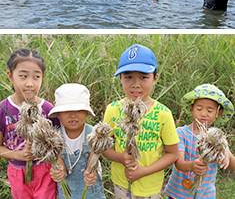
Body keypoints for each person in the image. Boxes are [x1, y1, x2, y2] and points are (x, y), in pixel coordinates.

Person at [103, 43, 179, 199]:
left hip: (149, 187)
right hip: (121, 184)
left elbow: (172, 153)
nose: (135, 84)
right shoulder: (113, 109)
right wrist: (120, 157)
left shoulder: (163, 114)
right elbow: (103, 147)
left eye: (144, 77)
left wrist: (143, 171)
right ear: (120, 79)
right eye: (128, 77)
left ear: (155, 78)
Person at [0, 48, 59, 199]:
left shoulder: (48, 109)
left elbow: (58, 142)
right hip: (17, 172)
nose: (30, 83)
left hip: (45, 171)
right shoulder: (2, 110)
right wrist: (18, 155)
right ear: (10, 77)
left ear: (42, 78)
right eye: (23, 76)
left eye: (36, 77)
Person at [165, 83, 235, 199]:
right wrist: (191, 166)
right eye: (199, 108)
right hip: (178, 194)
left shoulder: (218, 139)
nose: (203, 114)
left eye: (210, 110)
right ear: (192, 109)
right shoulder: (181, 133)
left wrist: (227, 156)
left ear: (219, 113)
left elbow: (232, 165)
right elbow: (178, 163)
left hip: (205, 195)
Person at [48, 83, 106, 199]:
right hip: (67, 193)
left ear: (86, 112)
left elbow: (92, 165)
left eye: (79, 110)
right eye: (66, 110)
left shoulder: (95, 135)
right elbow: (61, 170)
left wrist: (91, 174)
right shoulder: (54, 138)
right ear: (58, 113)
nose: (72, 115)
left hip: (92, 192)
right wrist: (57, 173)